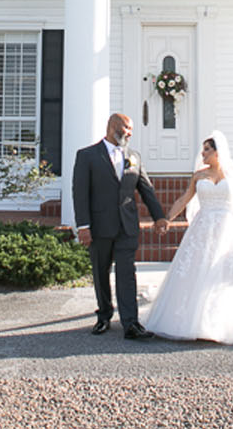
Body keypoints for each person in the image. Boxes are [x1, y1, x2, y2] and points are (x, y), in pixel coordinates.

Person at [144, 131, 233, 344]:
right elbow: (184, 199)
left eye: (207, 149)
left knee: (225, 271)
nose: (203, 153)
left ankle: (229, 321)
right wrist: (167, 219)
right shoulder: (199, 176)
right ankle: (192, 321)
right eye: (203, 149)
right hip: (203, 227)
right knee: (197, 270)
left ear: (218, 152)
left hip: (229, 228)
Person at [72, 112, 168, 339]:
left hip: (127, 226)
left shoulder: (134, 156)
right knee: (100, 272)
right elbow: (80, 193)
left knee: (127, 273)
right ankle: (104, 315)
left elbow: (146, 189)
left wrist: (159, 217)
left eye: (131, 129)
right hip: (99, 225)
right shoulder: (87, 156)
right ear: (113, 126)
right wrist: (83, 226)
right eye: (127, 128)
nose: (130, 133)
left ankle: (131, 323)